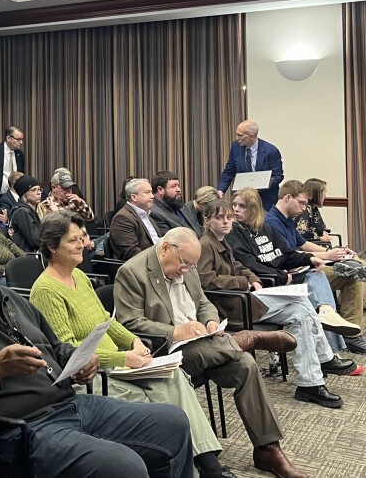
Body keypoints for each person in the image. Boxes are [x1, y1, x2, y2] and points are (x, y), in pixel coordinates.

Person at [0, 220, 194, 478]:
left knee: (173, 423)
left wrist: (80, 362)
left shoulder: (13, 300)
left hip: (70, 404)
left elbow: (56, 348)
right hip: (19, 429)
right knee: (124, 465)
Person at [30, 211, 233, 478]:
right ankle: (194, 467)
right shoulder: (45, 290)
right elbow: (68, 352)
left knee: (174, 377)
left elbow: (106, 321)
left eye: (82, 237)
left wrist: (134, 341)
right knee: (155, 401)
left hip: (119, 364)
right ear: (52, 247)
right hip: (91, 376)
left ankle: (208, 462)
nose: (82, 244)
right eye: (73, 241)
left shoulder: (79, 276)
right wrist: (122, 358)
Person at [114, 227, 306, 478]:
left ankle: (268, 448)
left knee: (246, 365)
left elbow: (203, 302)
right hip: (164, 353)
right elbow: (129, 324)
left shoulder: (188, 263)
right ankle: (243, 339)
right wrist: (175, 332)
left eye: (190, 266)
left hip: (206, 346)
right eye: (183, 264)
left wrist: (212, 323)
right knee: (223, 351)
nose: (186, 270)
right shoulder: (131, 272)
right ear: (165, 248)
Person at [196, 199, 359, 408]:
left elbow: (238, 265)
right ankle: (324, 358)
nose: (227, 222)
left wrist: (252, 277)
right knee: (300, 299)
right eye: (220, 218)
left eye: (228, 217)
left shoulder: (221, 240)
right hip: (233, 305)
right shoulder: (205, 245)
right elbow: (206, 282)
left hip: (242, 298)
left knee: (300, 312)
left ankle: (310, 383)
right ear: (207, 221)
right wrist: (244, 281)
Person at [227, 187, 366, 353]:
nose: (235, 209)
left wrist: (309, 258)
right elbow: (249, 265)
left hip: (285, 276)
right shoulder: (234, 232)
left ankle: (329, 319)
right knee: (312, 278)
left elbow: (287, 253)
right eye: (234, 205)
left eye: (242, 206)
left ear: (254, 208)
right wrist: (282, 275)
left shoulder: (265, 228)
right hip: (269, 284)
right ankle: (330, 333)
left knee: (314, 270)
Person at [265, 180, 366, 350]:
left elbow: (303, 244)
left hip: (307, 268)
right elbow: (291, 255)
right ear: (288, 197)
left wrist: (337, 251)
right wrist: (327, 254)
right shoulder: (272, 222)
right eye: (302, 203)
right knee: (351, 273)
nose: (304, 207)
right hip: (293, 275)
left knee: (353, 274)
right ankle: (336, 324)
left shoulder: (287, 219)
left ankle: (351, 334)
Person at [217, 120, 283, 210]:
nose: (237, 138)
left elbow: (278, 176)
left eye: (240, 135)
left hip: (264, 201)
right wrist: (221, 190)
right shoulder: (236, 147)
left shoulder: (271, 151)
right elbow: (229, 171)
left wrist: (260, 186)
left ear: (251, 136)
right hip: (242, 200)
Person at [109, 177, 159, 261]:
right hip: (140, 267)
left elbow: (157, 241)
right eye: (147, 192)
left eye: (151, 192)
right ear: (134, 197)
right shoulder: (123, 218)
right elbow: (131, 253)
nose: (152, 196)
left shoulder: (147, 216)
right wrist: (159, 260)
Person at [149, 170, 200, 236]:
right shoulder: (154, 213)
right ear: (160, 190)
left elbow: (198, 229)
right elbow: (169, 241)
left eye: (178, 185)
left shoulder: (181, 205)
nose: (179, 189)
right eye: (174, 186)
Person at [9, 174, 42, 252]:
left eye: (39, 189)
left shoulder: (29, 210)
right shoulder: (22, 211)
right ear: (24, 193)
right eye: (34, 190)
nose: (39, 193)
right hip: (28, 257)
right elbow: (36, 240)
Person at [296, 178, 332, 242]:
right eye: (324, 193)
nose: (325, 196)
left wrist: (324, 232)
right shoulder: (304, 210)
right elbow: (302, 236)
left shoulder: (314, 208)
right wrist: (320, 239)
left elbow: (320, 227)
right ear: (316, 194)